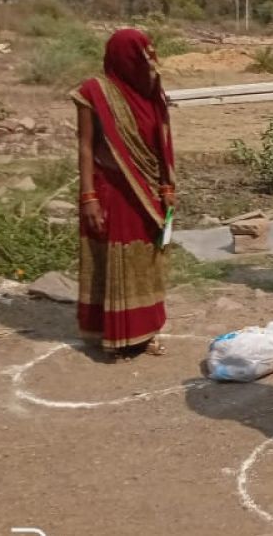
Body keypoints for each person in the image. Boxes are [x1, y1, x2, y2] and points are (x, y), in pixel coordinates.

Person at [71, 29, 175, 359]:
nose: (150, 66)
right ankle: (112, 332)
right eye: (142, 59)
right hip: (111, 190)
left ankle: (145, 331)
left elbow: (162, 144)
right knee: (111, 261)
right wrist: (88, 197)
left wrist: (167, 186)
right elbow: (85, 147)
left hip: (148, 192)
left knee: (146, 262)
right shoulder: (94, 93)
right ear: (123, 59)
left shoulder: (153, 93)